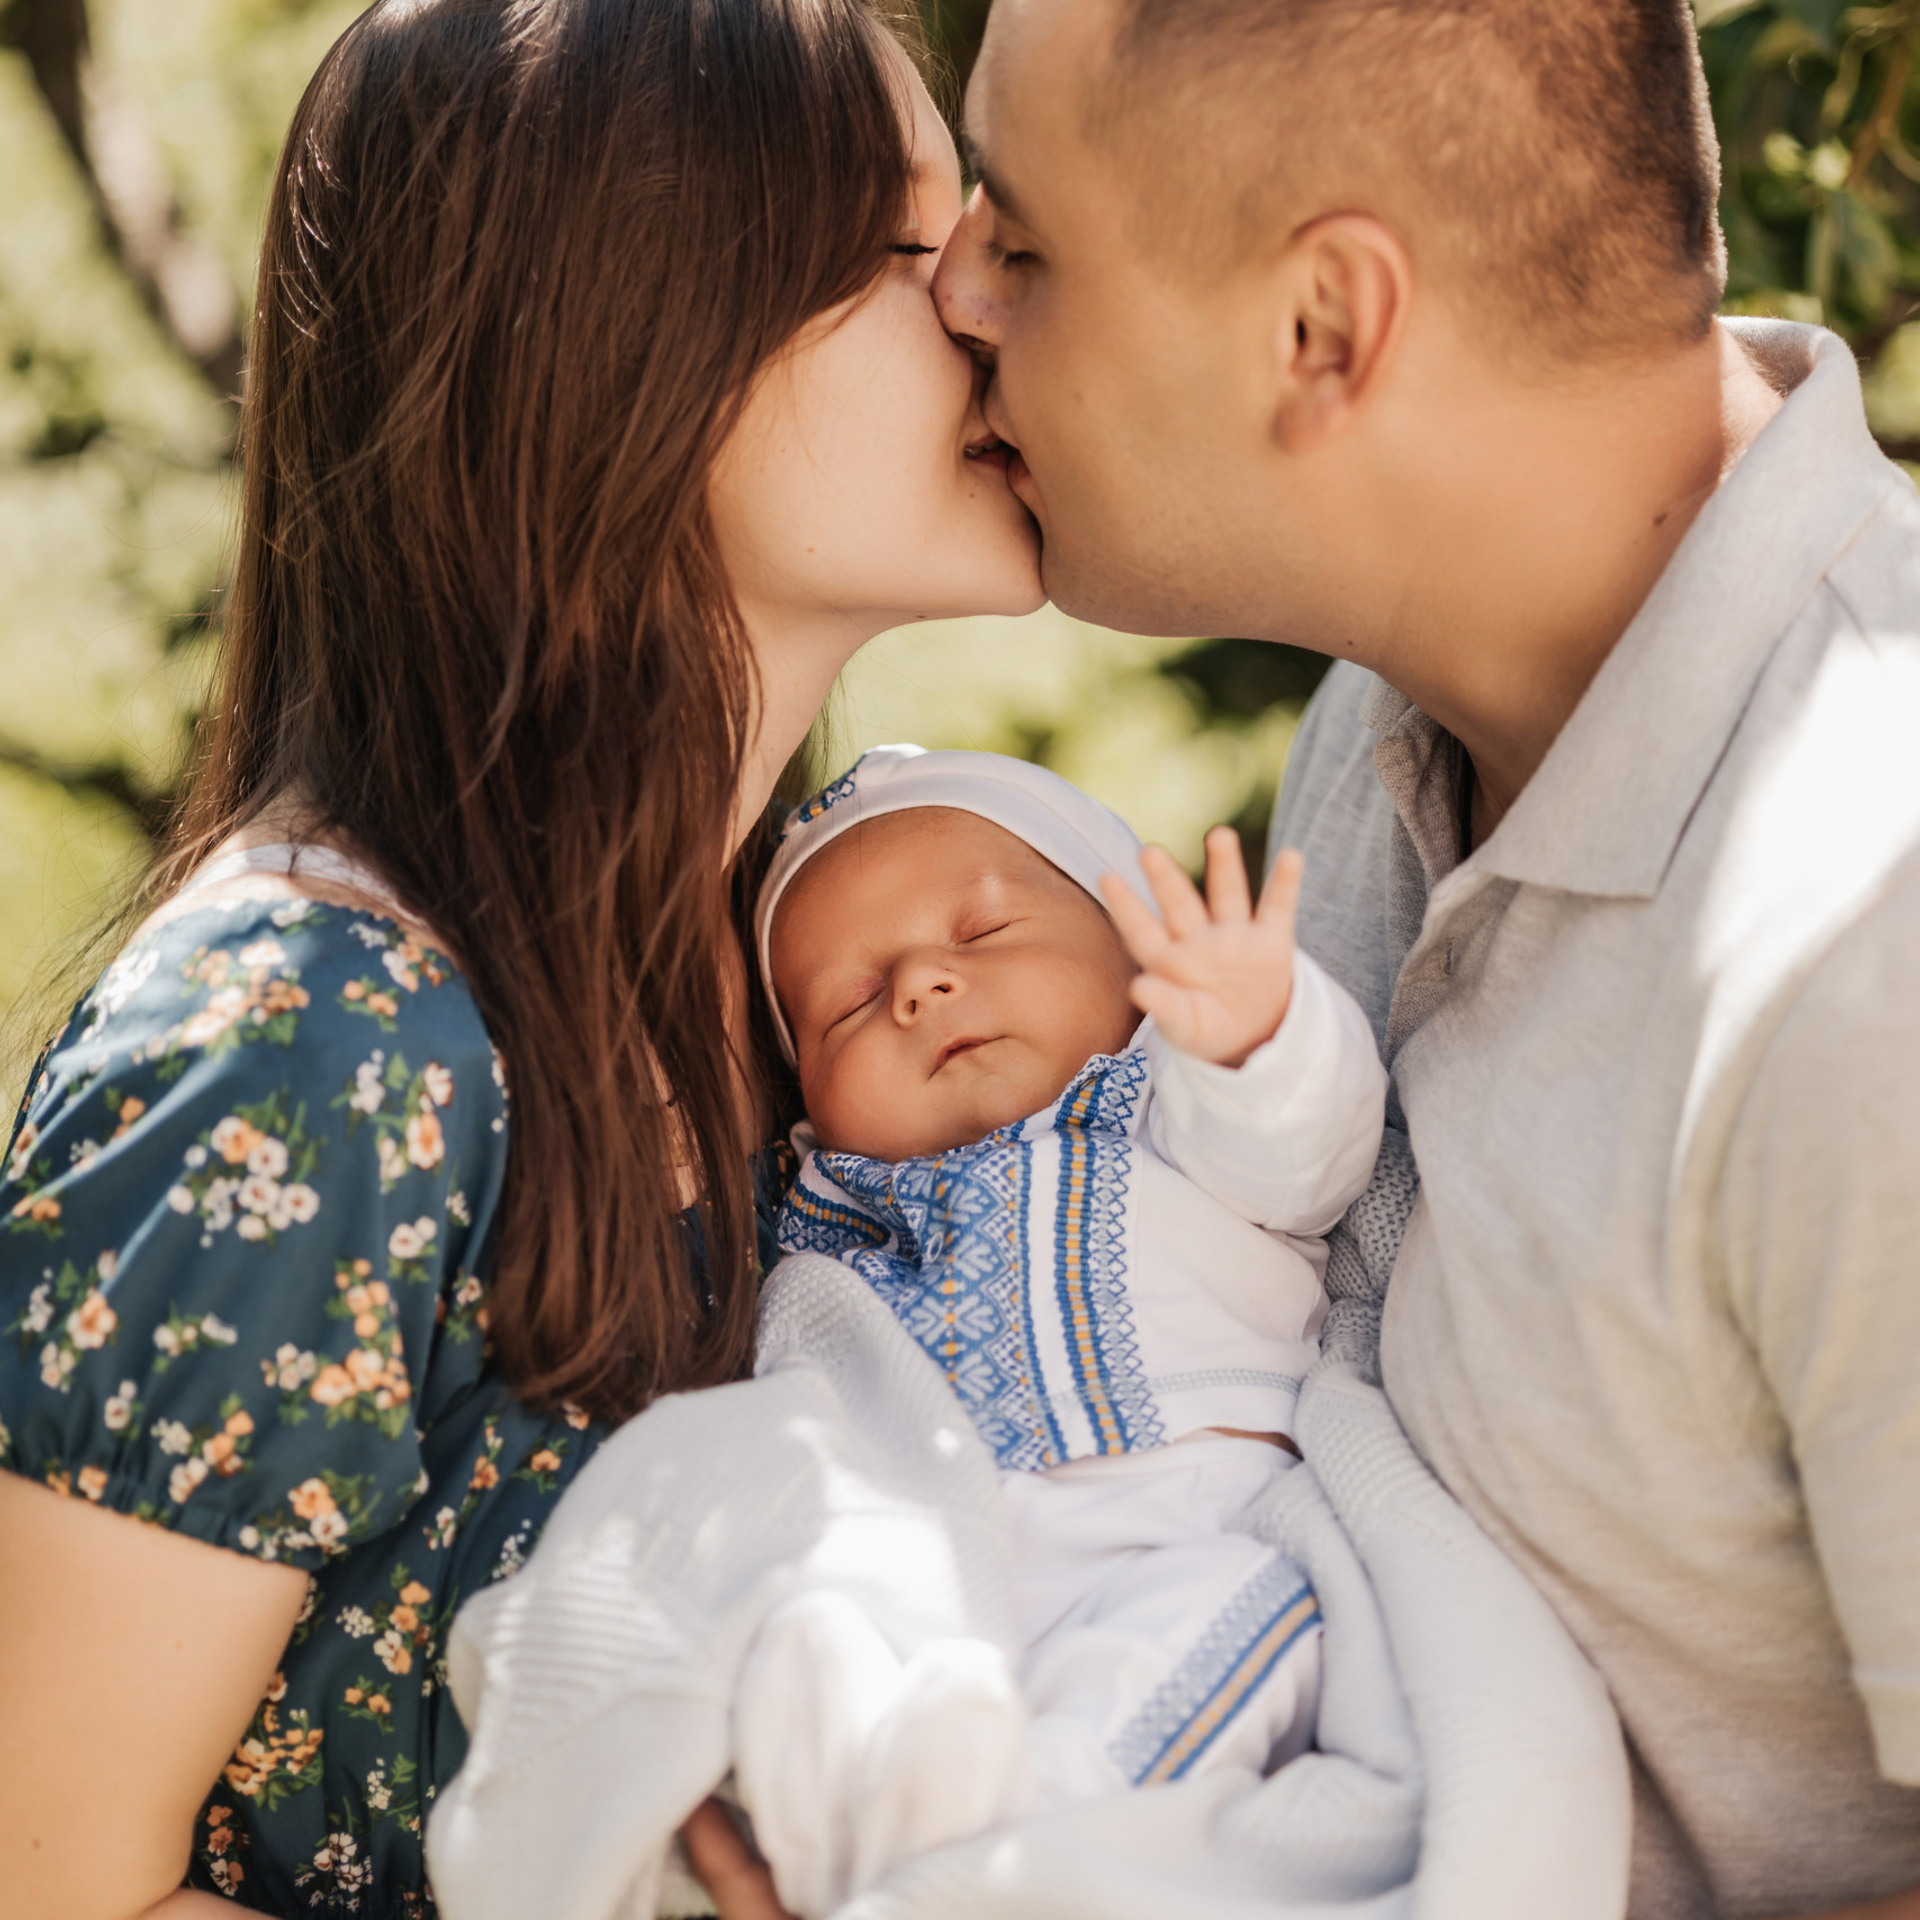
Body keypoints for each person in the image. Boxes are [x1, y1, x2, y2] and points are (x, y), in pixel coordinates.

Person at [0, 2, 1044, 1915]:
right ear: (629, 340)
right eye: (909, 246)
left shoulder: (802, 969)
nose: (995, 289)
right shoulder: (305, 1049)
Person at [931, 1, 1920, 1917]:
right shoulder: (1385, 720)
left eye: (1027, 239)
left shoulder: (1866, 952)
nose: (955, 288)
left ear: (1323, 329)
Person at [733, 744, 1383, 1914]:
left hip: (1182, 1521)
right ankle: (876, 1832)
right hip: (931, 1572)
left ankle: (1038, 1852)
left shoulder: (1174, 1106)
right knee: (795, 1653)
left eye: (981, 934)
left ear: (1137, 952)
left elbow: (1310, 1152)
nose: (919, 987)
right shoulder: (830, 1221)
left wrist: (1256, 1034)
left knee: (1247, 1617)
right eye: (843, 1004)